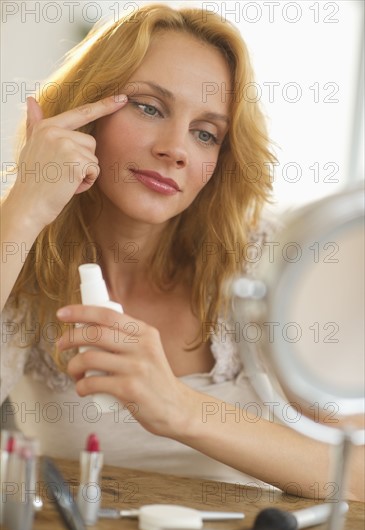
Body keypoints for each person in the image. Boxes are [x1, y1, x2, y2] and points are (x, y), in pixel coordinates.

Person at [1, 3, 363, 501]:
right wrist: (22, 209)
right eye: (149, 107)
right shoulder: (20, 249)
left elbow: (358, 470)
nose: (177, 149)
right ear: (84, 112)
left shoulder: (268, 263)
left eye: (205, 133)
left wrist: (180, 408)